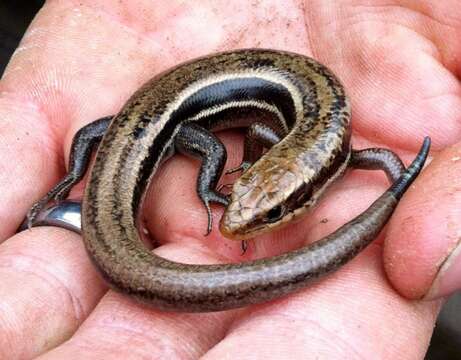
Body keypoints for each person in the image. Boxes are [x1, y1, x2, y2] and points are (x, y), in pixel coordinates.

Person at [0, 1, 460, 358]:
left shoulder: (343, 153)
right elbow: (267, 136)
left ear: (309, 192)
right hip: (169, 118)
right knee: (199, 148)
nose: (236, 225)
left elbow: (264, 133)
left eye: (273, 211)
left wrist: (400, 196)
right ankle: (117, 179)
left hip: (166, 113)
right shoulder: (345, 153)